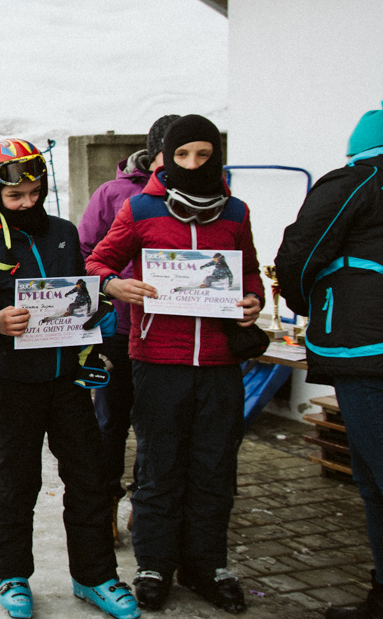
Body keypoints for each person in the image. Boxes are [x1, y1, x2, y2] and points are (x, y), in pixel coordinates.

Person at [86, 115, 263, 614]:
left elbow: (249, 270)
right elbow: (96, 261)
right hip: (157, 357)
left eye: (203, 155)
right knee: (159, 464)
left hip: (220, 360)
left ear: (216, 157)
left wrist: (252, 299)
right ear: (166, 156)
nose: (191, 163)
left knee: (214, 465)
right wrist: (115, 285)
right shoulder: (140, 207)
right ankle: (155, 565)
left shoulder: (235, 211)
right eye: (182, 155)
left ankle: (207, 566)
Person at [0, 139, 138, 619]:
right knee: (18, 482)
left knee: (89, 477)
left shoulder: (62, 233)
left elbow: (80, 295)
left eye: (34, 193)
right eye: (15, 196)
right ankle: (11, 573)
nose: (27, 203)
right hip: (14, 385)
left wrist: (96, 329)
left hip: (66, 382)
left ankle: (94, 575)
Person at [276, 102, 383, 619]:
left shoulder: (356, 181)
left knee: (377, 478)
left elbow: (300, 252)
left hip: (365, 353)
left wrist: (309, 305)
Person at [78, 114, 179, 544]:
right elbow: (86, 253)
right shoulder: (113, 194)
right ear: (154, 154)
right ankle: (104, 508)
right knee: (110, 423)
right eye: (174, 154)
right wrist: (112, 287)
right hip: (118, 331)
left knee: (157, 426)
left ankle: (146, 505)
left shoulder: (206, 197)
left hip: (169, 333)